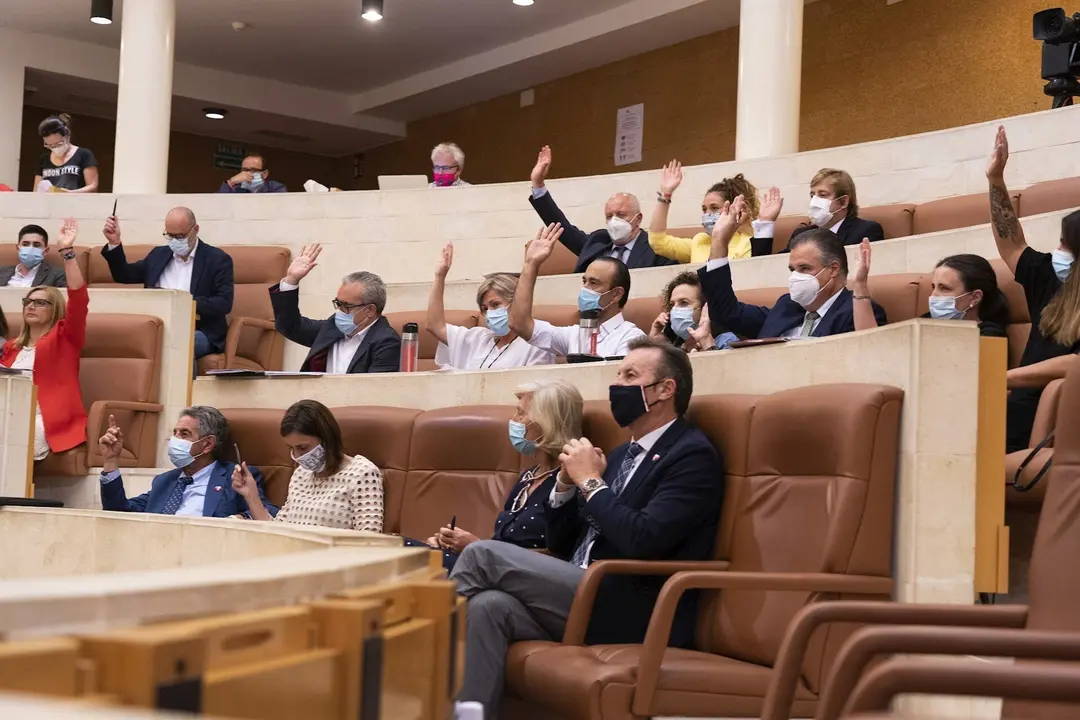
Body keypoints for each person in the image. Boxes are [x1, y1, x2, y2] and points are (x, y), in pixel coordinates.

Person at [450, 337, 725, 715]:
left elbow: (642, 539)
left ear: (665, 389)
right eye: (617, 374)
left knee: (482, 555)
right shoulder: (618, 455)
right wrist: (564, 485)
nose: (617, 385)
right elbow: (563, 540)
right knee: (489, 606)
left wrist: (591, 483)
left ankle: (409, 662)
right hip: (580, 585)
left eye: (630, 375)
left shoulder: (691, 455)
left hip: (631, 606)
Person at [411, 380, 583, 571]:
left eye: (521, 413)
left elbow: (560, 554)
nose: (513, 420)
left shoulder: (569, 480)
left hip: (524, 577)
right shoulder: (529, 476)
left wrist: (475, 546)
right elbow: (504, 544)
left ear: (547, 424)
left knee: (405, 552)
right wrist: (452, 545)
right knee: (410, 551)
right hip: (490, 567)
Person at [985, 126, 1080, 452]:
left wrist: (1003, 379)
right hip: (1017, 408)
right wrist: (995, 180)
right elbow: (1010, 243)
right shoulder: (1048, 276)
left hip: (1061, 415)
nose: (1058, 250)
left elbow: (1075, 365)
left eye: (1066, 245)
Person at [700, 195, 887, 339]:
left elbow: (867, 352)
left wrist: (861, 288)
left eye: (805, 268)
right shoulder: (787, 306)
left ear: (833, 269)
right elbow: (726, 313)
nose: (796, 277)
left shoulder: (854, 312)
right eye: (793, 270)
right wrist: (719, 241)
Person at [101, 207, 234, 377]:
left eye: (179, 236)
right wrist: (114, 243)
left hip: (199, 330)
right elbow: (124, 275)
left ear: (195, 229)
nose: (174, 241)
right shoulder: (159, 255)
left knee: (180, 342)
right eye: (169, 236)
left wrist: (182, 301)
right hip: (158, 326)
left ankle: (183, 400)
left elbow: (224, 303)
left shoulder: (217, 259)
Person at [0, 219, 86, 461]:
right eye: (28, 302)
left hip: (45, 417)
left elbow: (79, 298)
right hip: (8, 411)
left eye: (40, 302)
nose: (32, 306)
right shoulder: (11, 347)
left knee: (12, 437)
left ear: (55, 308)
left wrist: (67, 253)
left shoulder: (66, 338)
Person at [232, 400, 384, 531]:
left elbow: (369, 540)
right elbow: (278, 531)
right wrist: (251, 495)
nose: (297, 456)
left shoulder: (362, 473)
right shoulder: (301, 474)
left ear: (326, 438)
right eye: (291, 448)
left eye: (303, 448)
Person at [99, 408, 277, 517]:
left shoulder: (235, 478)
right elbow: (118, 513)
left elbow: (269, 513)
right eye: (175, 432)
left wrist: (238, 519)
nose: (174, 440)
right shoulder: (164, 481)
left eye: (184, 434)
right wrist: (111, 461)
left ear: (207, 444)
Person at [528, 146, 677, 273]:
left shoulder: (656, 248)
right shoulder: (597, 242)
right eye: (609, 216)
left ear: (638, 218)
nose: (614, 220)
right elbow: (563, 228)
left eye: (621, 214)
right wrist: (538, 184)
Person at [509, 223, 646, 358]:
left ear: (617, 294)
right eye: (584, 281)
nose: (585, 289)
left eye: (593, 283)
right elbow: (519, 324)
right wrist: (531, 263)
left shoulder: (631, 338)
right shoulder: (574, 334)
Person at [269, 244, 401, 373]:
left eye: (346, 306)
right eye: (338, 303)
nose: (339, 311)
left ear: (370, 310)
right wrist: (291, 279)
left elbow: (376, 391)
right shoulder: (333, 327)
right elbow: (289, 326)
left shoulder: (387, 342)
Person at [428, 242, 554, 370]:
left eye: (495, 304)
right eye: (485, 309)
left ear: (517, 302)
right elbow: (435, 326)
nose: (490, 313)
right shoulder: (477, 338)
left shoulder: (537, 343)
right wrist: (439, 276)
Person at [853, 239, 1010, 336]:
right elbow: (876, 345)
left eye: (944, 288)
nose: (934, 295)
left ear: (975, 297)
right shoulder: (925, 322)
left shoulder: (989, 335)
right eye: (933, 287)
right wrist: (860, 284)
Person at [749, 169, 884, 257]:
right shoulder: (801, 235)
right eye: (812, 195)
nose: (815, 201)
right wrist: (766, 222)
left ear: (843, 202)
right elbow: (765, 267)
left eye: (823, 195)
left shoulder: (866, 231)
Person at [648, 160, 761, 262]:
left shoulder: (747, 243)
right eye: (704, 209)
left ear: (734, 209)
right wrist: (665, 195)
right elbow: (658, 242)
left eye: (714, 208)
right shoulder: (700, 241)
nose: (708, 214)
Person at [650, 271, 739, 352]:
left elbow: (729, 369)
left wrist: (707, 343)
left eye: (684, 303)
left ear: (705, 307)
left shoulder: (726, 340)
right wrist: (654, 345)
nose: (675, 310)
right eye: (672, 305)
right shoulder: (673, 343)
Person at [32, 114, 99, 194]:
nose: (55, 148)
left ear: (67, 136)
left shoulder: (84, 154)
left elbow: (93, 186)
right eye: (50, 145)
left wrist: (70, 193)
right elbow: (36, 191)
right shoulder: (44, 159)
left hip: (76, 203)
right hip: (49, 204)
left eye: (58, 143)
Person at [0, 225, 67, 288]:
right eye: (25, 244)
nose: (30, 248)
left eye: (36, 245)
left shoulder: (57, 275)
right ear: (18, 248)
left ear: (45, 251)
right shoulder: (2, 272)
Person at [217, 154, 287, 193]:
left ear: (265, 174)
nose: (247, 173)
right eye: (244, 170)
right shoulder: (237, 188)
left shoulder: (276, 188)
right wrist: (231, 182)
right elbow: (218, 205)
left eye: (253, 170)